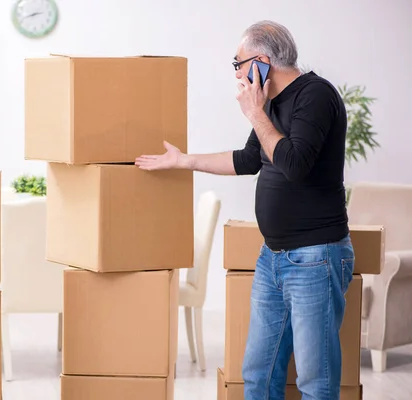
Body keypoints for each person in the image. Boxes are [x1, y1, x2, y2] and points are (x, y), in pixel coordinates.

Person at [135, 20, 354, 400]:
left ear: (261, 61)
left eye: (238, 63)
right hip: (274, 257)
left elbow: (294, 163)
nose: (236, 73)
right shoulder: (272, 103)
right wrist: (184, 161)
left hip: (315, 259)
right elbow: (251, 158)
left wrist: (255, 112)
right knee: (258, 374)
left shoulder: (315, 96)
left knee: (315, 384)